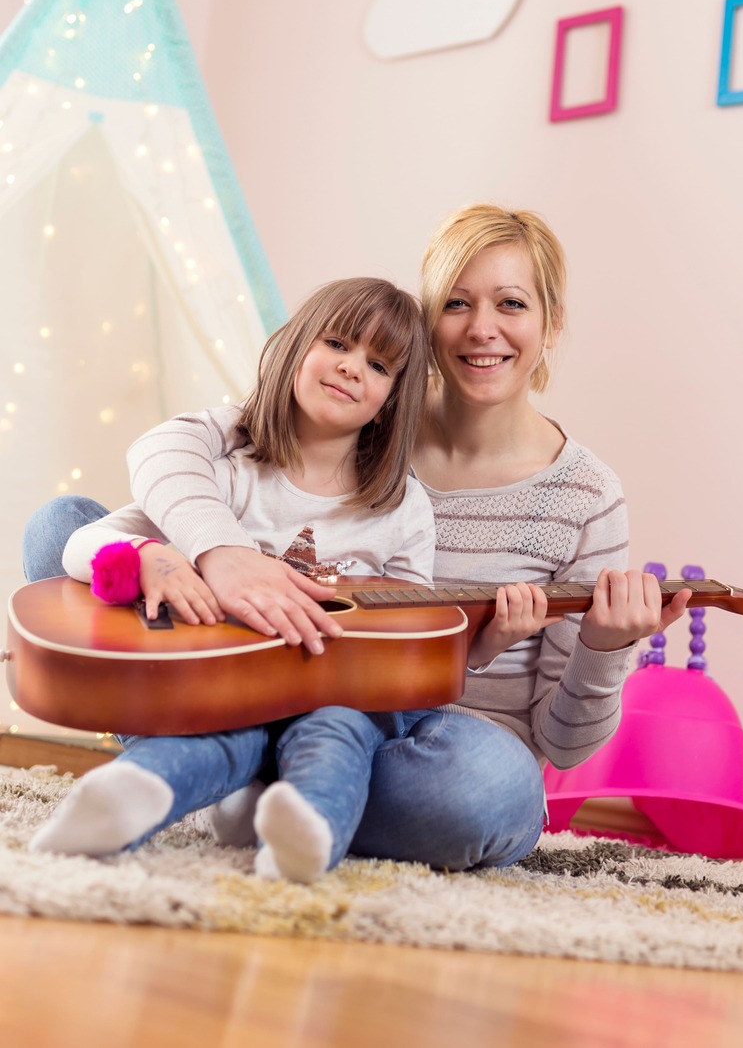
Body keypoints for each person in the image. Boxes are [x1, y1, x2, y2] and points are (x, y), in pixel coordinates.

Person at [25, 206, 691, 872]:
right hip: (249, 666)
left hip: (419, 736)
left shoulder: (582, 497)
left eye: (511, 303)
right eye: (457, 303)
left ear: (551, 322)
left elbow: (562, 745)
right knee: (64, 530)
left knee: (486, 788)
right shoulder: (354, 425)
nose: (482, 328)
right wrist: (211, 555)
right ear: (428, 325)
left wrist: (604, 649)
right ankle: (253, 778)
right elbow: (180, 447)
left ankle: (215, 772)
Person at [26, 276, 487, 882]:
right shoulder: (228, 472)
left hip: (331, 692)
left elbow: (415, 619)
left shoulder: (402, 508)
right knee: (227, 725)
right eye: (339, 344)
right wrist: (150, 557)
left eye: (378, 365)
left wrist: (488, 637)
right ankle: (128, 793)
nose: (352, 369)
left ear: (392, 399)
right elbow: (79, 542)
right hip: (222, 691)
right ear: (297, 345)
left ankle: (304, 832)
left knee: (342, 727)